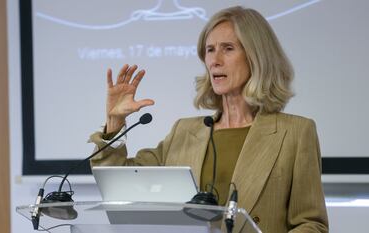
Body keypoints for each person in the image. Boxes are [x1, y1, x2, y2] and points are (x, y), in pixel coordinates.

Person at [88, 6, 328, 233]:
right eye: (210, 49)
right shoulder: (185, 131)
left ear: (257, 56)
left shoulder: (295, 132)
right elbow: (122, 185)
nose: (214, 60)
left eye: (228, 48)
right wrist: (115, 121)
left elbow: (311, 224)